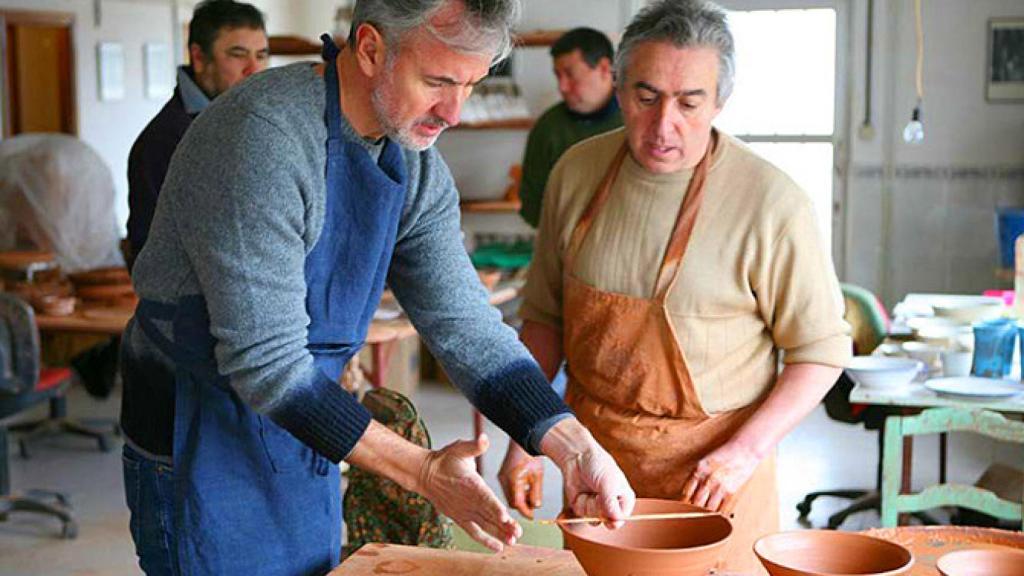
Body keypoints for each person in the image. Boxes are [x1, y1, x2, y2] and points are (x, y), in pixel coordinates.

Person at [119, 1, 634, 574]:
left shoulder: (412, 164)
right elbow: (265, 362)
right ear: (369, 49)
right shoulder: (262, 139)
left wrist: (574, 446)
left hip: (302, 429)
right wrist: (422, 471)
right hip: (199, 442)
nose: (454, 112)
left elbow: (466, 323)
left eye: (470, 84)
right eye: (437, 80)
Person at [498, 0, 851, 572]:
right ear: (618, 87)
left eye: (690, 103)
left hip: (717, 481)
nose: (665, 126)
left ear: (720, 102)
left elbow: (822, 352)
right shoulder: (575, 174)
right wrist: (525, 436)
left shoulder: (771, 202)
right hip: (596, 468)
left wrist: (745, 452)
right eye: (646, 97)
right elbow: (545, 322)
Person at [126, 0, 269, 266]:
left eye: (261, 55)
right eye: (238, 54)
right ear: (200, 58)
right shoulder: (165, 140)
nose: (253, 70)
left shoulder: (254, 123)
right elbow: (151, 258)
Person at [518, 27, 621, 228]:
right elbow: (531, 202)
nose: (562, 87)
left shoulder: (637, 119)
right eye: (558, 75)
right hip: (565, 247)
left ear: (604, 68)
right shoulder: (548, 127)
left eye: (570, 74)